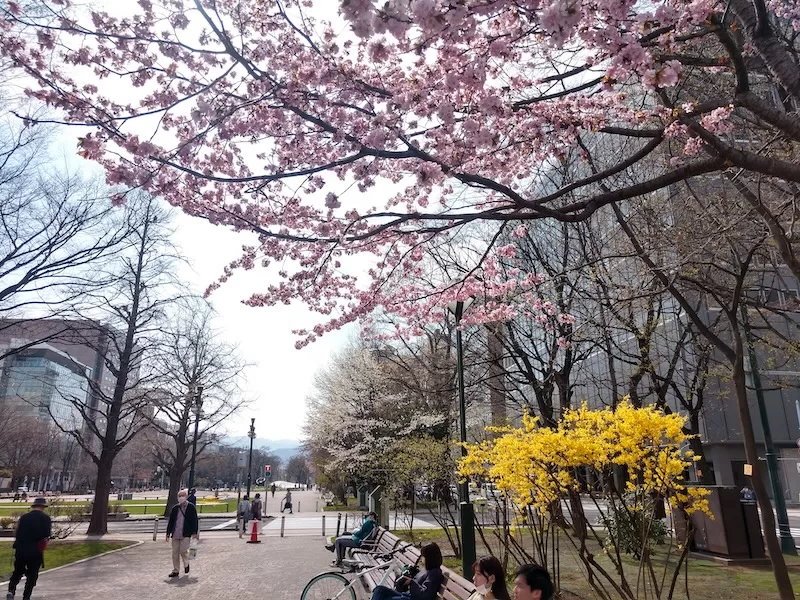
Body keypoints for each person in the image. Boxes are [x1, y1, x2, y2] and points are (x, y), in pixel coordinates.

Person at [7, 497, 51, 600]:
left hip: (21, 549)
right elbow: (46, 535)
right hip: (35, 551)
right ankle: (26, 596)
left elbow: (16, 532)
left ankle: (11, 590)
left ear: (34, 506)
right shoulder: (46, 519)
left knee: (17, 571)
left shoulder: (24, 517)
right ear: (43, 507)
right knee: (32, 575)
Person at [370, 542, 444, 600]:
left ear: (429, 558)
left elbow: (425, 595)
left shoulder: (434, 573)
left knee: (383, 598)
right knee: (379, 589)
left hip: (412, 598)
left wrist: (411, 582)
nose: (422, 559)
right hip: (408, 596)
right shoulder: (427, 569)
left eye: (423, 556)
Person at [165, 489, 199, 578]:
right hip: (176, 533)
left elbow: (194, 520)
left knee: (183, 551)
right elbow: (171, 521)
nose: (181, 498)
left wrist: (195, 532)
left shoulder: (191, 507)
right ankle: (176, 570)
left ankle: (186, 564)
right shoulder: (175, 508)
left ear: (186, 497)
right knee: (175, 552)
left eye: (183, 496)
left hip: (186, 533)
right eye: (179, 496)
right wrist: (168, 533)